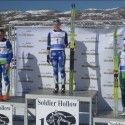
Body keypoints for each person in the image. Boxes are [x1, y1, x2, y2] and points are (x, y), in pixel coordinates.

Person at [47, 19, 68, 93]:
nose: (56, 26)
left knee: (62, 70)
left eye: (57, 24)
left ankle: (63, 87)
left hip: (61, 53)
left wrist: (71, 44)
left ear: (60, 25)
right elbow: (48, 45)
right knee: (55, 70)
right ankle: (56, 87)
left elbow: (66, 44)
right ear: (53, 25)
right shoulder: (50, 33)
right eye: (54, 24)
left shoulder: (64, 33)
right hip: (53, 54)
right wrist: (47, 55)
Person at [0, 29, 13, 101]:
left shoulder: (7, 42)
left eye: (1, 34)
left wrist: (8, 62)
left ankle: (7, 95)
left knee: (5, 79)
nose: (0, 35)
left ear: (4, 34)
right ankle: (0, 95)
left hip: (5, 63)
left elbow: (10, 53)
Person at [118, 38, 125, 115]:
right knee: (123, 93)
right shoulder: (120, 53)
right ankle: (124, 109)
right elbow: (116, 65)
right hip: (123, 75)